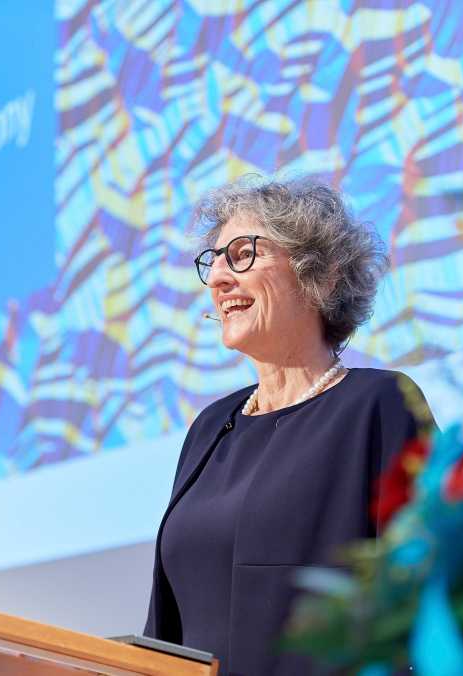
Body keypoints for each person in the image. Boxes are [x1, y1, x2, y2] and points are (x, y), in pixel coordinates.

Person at [143, 176, 432, 675]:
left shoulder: (379, 406)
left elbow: (421, 598)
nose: (217, 279)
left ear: (318, 272)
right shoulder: (210, 428)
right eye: (213, 262)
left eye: (242, 254)